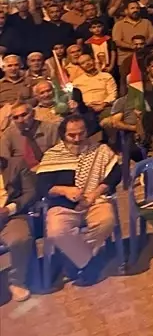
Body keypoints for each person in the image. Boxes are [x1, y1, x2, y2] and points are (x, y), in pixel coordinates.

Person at [36, 114, 120, 282]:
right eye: (71, 135)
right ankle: (90, 263)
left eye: (81, 133)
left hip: (95, 201)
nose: (77, 139)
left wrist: (95, 193)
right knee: (56, 231)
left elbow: (115, 175)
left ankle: (74, 258)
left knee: (106, 221)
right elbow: (42, 187)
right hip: (63, 206)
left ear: (87, 132)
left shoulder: (100, 150)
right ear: (63, 135)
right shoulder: (52, 155)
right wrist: (64, 190)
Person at [0, 154, 37, 301]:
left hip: (11, 216)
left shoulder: (15, 164)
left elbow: (31, 192)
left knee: (19, 239)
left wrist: (9, 209)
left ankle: (16, 281)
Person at [1, 101, 57, 169]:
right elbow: (4, 159)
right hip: (21, 171)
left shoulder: (50, 129)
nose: (20, 120)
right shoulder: (8, 134)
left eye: (24, 115)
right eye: (16, 117)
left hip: (48, 167)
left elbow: (60, 153)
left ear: (33, 113)